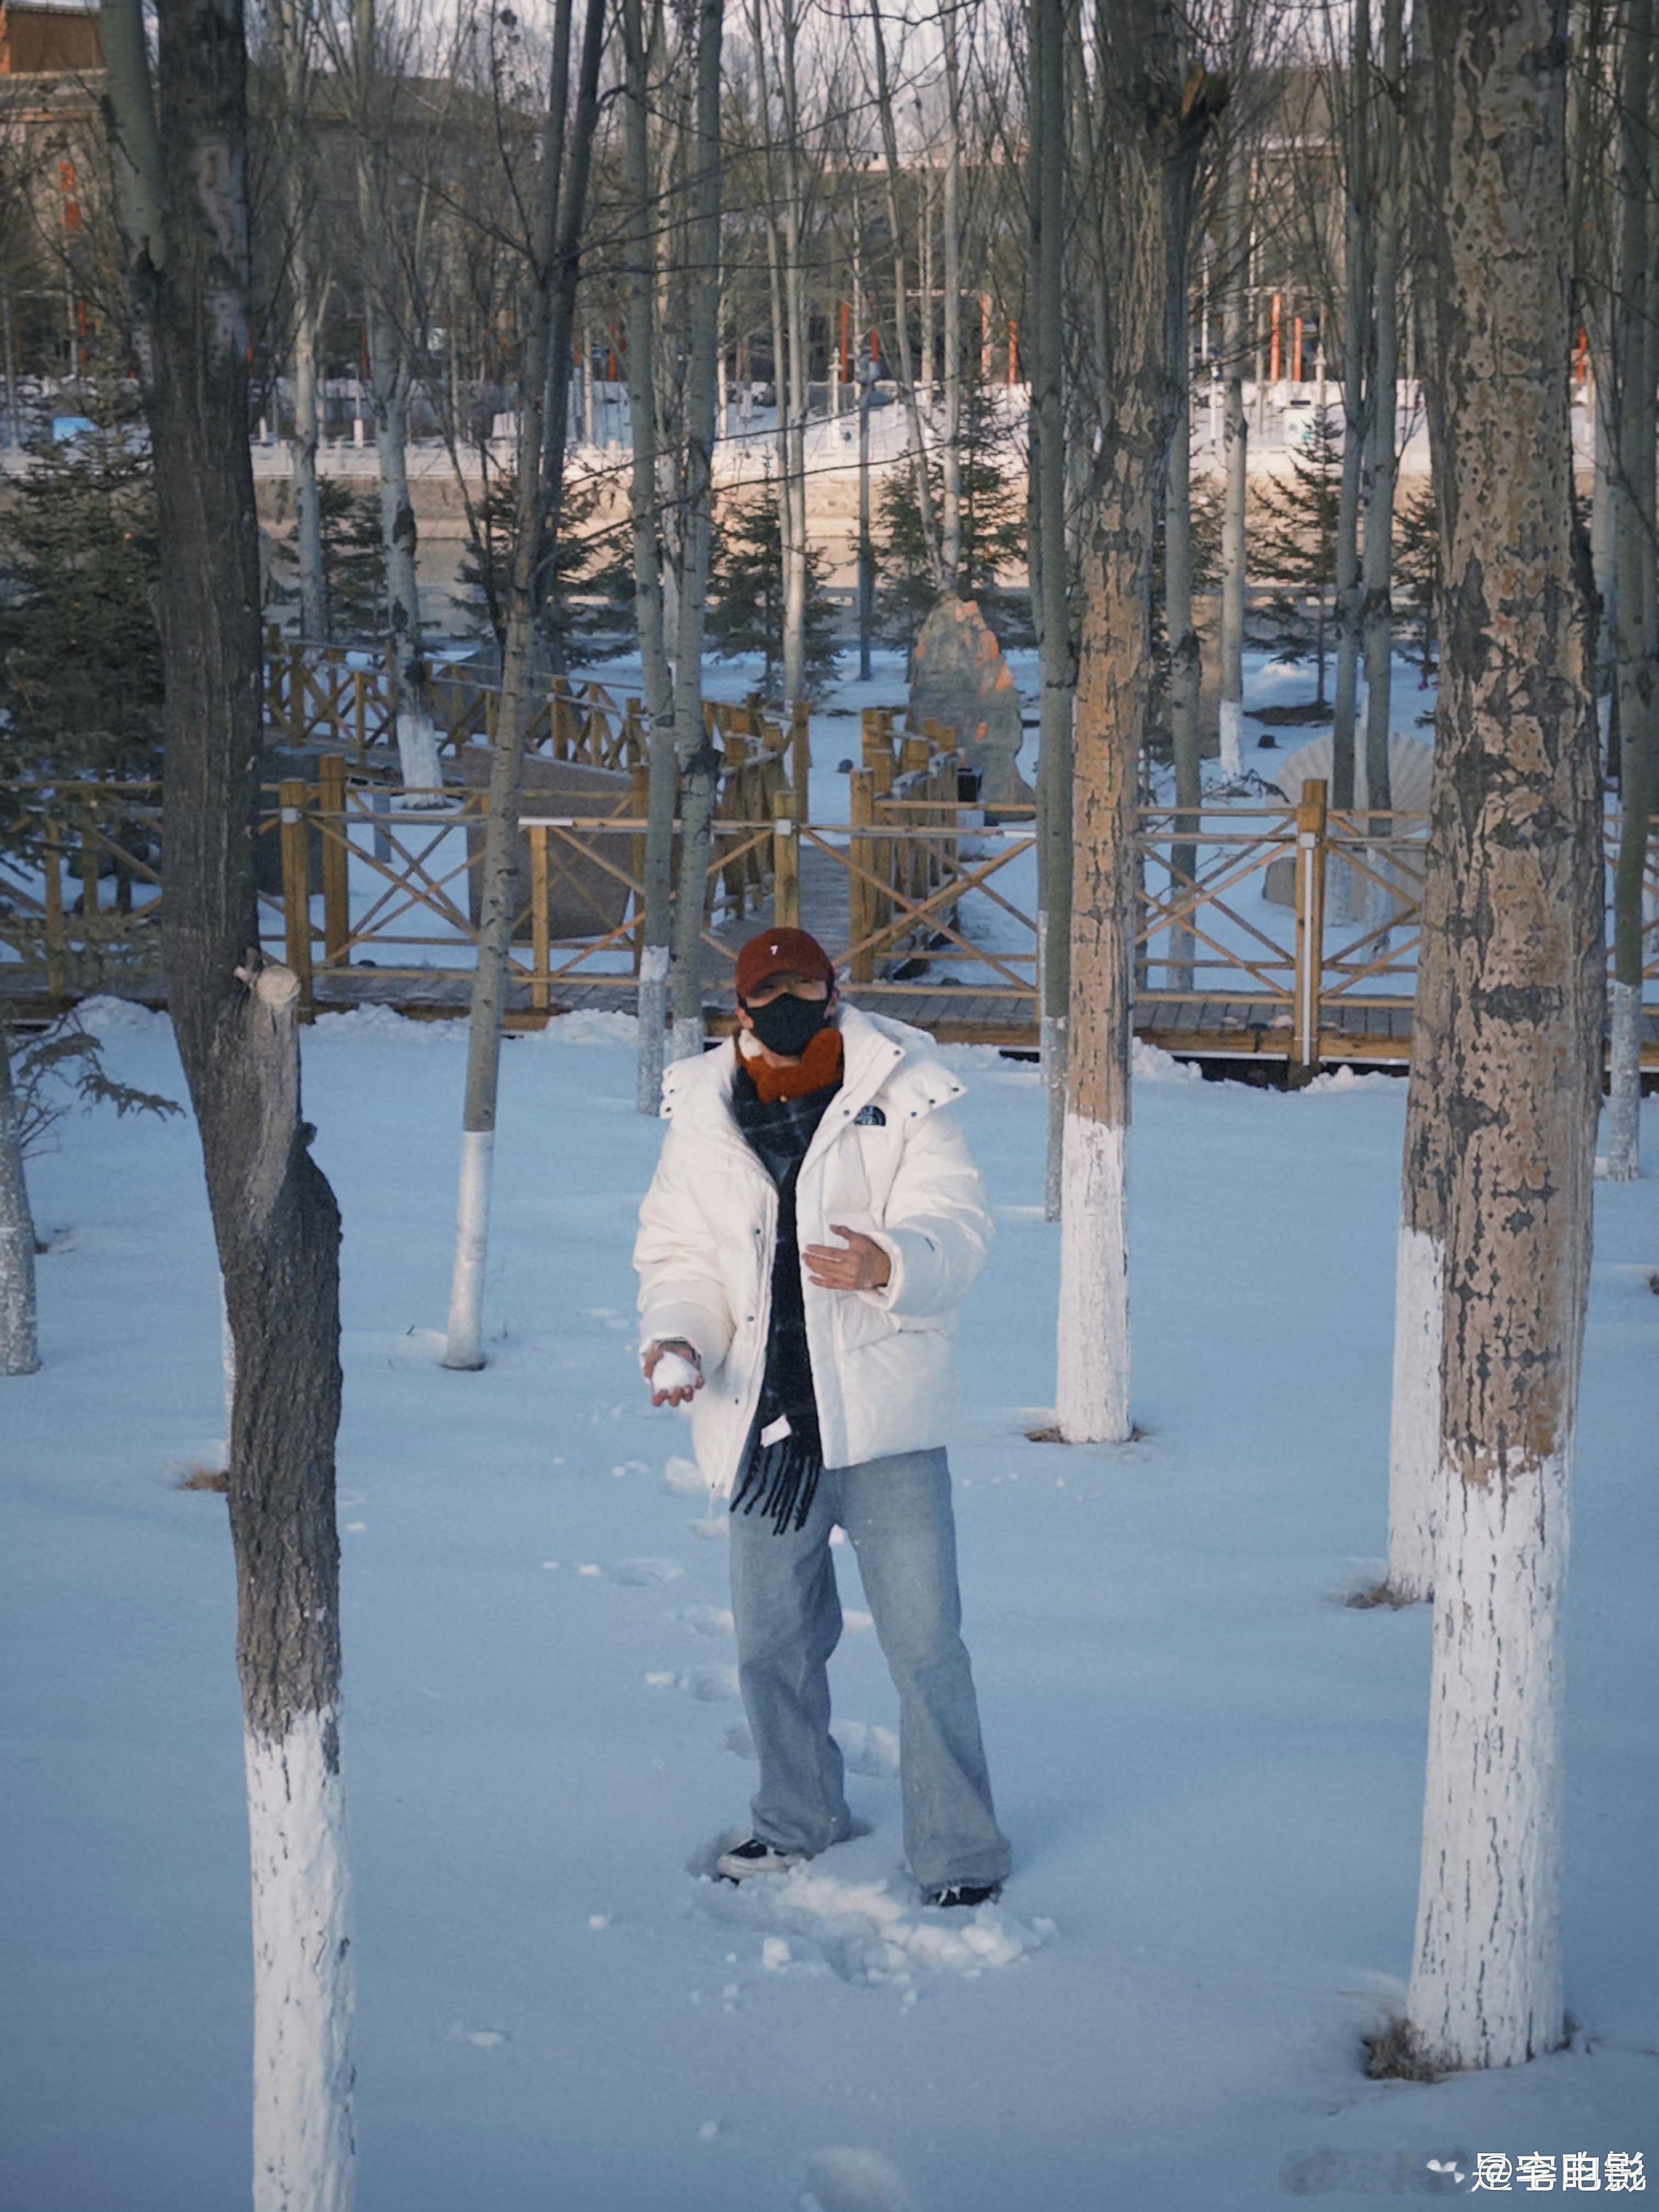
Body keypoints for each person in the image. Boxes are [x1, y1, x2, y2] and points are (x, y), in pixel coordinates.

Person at [634, 926, 1010, 1908]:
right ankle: (797, 1818)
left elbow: (961, 1226)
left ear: (834, 988)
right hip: (764, 1429)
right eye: (771, 988)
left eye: (805, 981)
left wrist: (891, 1261)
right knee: (771, 1646)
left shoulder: (907, 1091)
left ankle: (959, 1851)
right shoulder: (704, 1112)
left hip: (886, 1423)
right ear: (741, 1002)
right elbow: (678, 1255)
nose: (789, 999)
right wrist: (677, 1340)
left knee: (927, 1648)